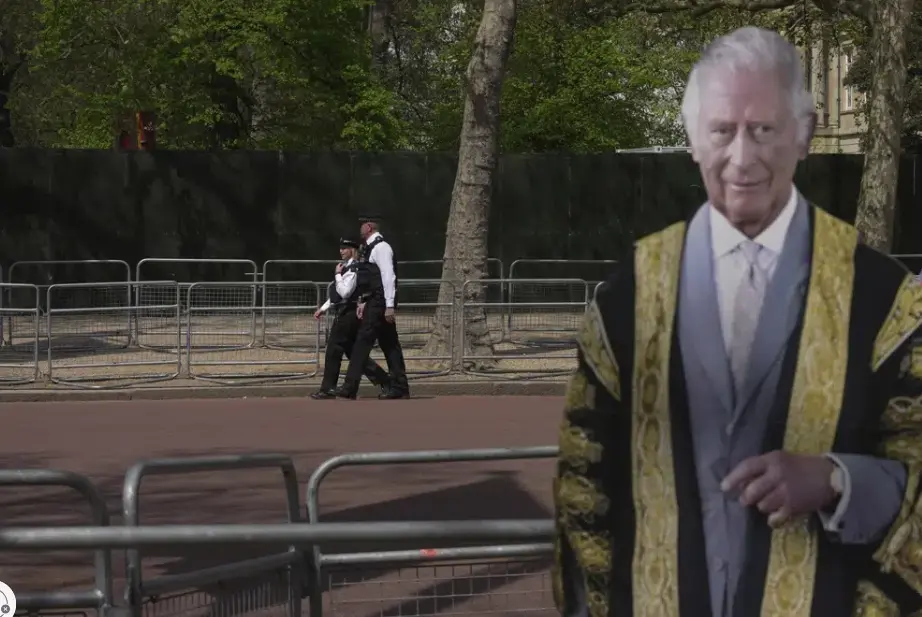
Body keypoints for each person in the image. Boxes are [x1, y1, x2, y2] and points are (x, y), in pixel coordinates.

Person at [553, 26, 922, 617]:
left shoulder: (883, 300)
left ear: (804, 135)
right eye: (723, 130)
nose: (742, 158)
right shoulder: (630, 297)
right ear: (695, 141)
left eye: (765, 130)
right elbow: (583, 494)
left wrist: (838, 480)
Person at [310, 238, 390, 400]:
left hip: (349, 314)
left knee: (334, 349)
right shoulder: (346, 267)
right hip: (345, 311)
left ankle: (328, 388)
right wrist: (324, 308)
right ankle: (384, 379)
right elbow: (337, 294)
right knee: (354, 353)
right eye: (340, 248)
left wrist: (338, 275)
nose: (341, 251)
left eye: (345, 248)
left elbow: (345, 293)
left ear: (353, 250)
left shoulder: (353, 269)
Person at [338, 220, 410, 400]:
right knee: (390, 345)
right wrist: (363, 301)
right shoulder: (370, 248)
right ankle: (400, 386)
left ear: (370, 229)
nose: (360, 227)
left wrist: (389, 305)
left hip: (379, 303)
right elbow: (371, 279)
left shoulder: (381, 248)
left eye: (364, 225)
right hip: (375, 301)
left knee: (362, 344)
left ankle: (349, 388)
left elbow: (388, 276)